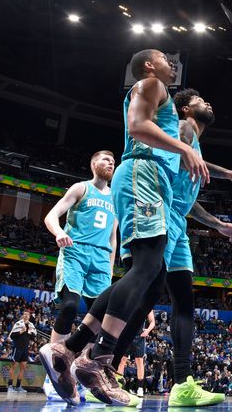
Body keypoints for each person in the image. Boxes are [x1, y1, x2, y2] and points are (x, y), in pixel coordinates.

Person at [40, 49, 208, 406]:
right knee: (148, 268)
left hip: (152, 182)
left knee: (151, 279)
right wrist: (184, 148)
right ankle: (95, 357)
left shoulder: (160, 95)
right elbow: (137, 127)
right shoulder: (149, 84)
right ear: (149, 66)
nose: (170, 62)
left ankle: (70, 352)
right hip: (140, 175)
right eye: (165, 57)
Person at [112, 88, 232, 406]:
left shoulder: (194, 142)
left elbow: (188, 202)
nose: (208, 102)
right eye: (200, 101)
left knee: (183, 299)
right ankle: (108, 366)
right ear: (184, 108)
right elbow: (177, 153)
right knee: (145, 293)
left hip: (178, 221)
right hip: (159, 212)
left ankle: (182, 383)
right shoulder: (183, 128)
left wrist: (218, 224)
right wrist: (230, 174)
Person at [41, 149, 117, 399]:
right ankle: (54, 371)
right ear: (93, 163)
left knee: (99, 321)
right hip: (76, 251)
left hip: (101, 261)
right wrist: (59, 232)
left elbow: (113, 236)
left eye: (113, 161)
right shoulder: (81, 188)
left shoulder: (116, 198)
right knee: (70, 307)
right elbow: (51, 215)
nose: (111, 163)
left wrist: (110, 265)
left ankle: (85, 374)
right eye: (106, 159)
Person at [117, 312, 154, 397]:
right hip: (126, 335)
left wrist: (148, 330)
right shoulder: (129, 300)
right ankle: (120, 386)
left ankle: (140, 388)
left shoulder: (147, 304)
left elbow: (152, 322)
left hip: (140, 336)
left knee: (139, 361)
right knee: (122, 360)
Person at [7, 310, 36, 393]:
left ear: (29, 316)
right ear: (23, 315)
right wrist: (21, 331)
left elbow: (33, 338)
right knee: (14, 366)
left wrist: (30, 332)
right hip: (17, 347)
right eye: (25, 314)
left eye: (28, 314)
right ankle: (10, 386)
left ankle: (18, 386)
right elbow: (12, 335)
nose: (26, 315)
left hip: (25, 349)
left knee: (23, 367)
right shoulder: (18, 324)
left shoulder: (31, 325)